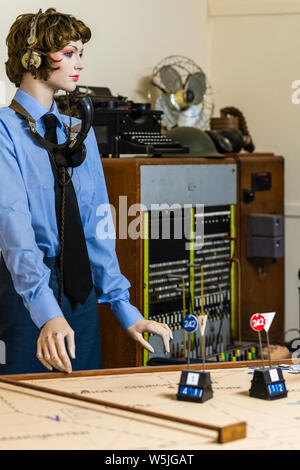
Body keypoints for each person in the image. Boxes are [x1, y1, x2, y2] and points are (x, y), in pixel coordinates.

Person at [0, 8, 172, 375]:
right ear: (32, 59)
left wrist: (124, 308)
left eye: (81, 53)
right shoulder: (4, 132)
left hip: (81, 296)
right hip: (25, 292)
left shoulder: (79, 131)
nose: (78, 64)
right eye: (68, 53)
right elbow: (14, 229)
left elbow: (97, 224)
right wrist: (46, 314)